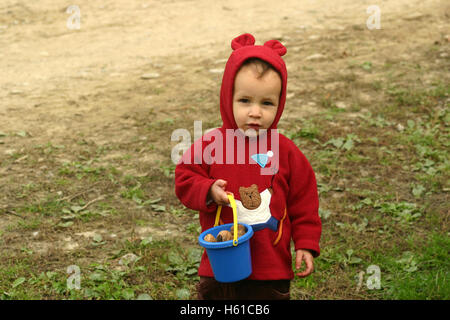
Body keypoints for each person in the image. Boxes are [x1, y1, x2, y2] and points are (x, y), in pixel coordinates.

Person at [175, 33, 321, 300]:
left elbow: (304, 201)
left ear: (280, 104)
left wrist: (306, 244)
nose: (256, 112)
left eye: (267, 103)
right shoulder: (212, 145)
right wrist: (208, 190)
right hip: (220, 263)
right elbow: (185, 177)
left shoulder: (285, 152)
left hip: (270, 268)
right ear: (227, 97)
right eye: (245, 101)